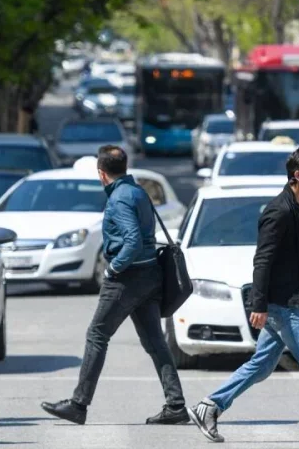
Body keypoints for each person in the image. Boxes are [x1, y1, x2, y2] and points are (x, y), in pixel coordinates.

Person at [187, 148, 299, 445]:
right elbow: (263, 260)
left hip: (291, 300)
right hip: (281, 303)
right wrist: (258, 304)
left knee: (261, 365)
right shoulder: (279, 211)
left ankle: (209, 407)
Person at [41, 145, 187, 426]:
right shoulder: (137, 191)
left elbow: (131, 240)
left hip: (126, 279)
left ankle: (78, 405)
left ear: (101, 173)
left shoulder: (119, 198)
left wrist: (112, 268)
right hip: (150, 276)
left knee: (97, 335)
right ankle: (176, 404)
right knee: (155, 342)